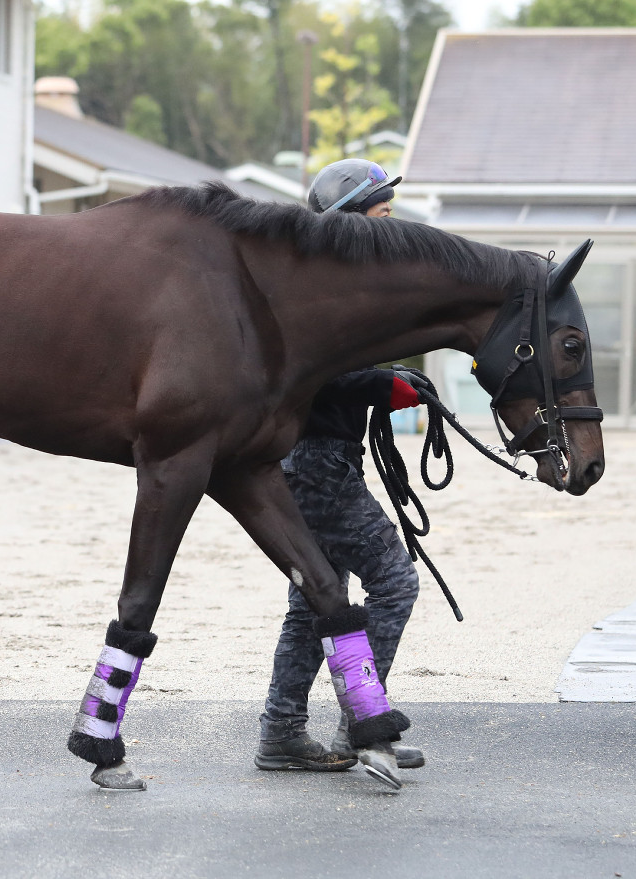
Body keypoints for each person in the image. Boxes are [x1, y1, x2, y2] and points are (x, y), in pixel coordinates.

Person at [255, 158, 427, 772]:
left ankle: (282, 732)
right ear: (348, 221)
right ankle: (364, 720)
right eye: (382, 214)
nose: (391, 224)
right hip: (317, 464)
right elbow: (319, 374)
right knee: (395, 582)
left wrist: (388, 379)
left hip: (311, 461)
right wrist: (386, 387)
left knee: (313, 601)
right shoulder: (320, 291)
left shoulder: (333, 285)